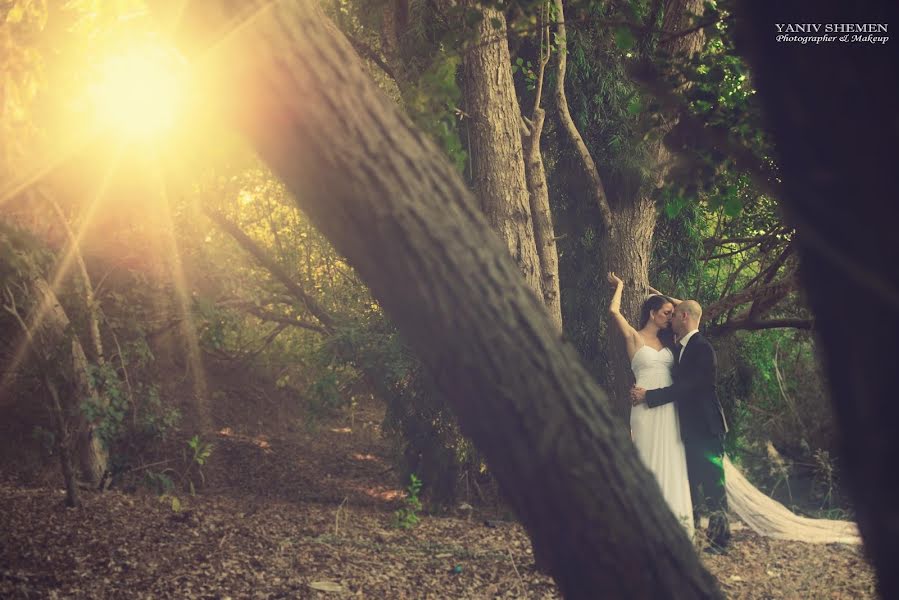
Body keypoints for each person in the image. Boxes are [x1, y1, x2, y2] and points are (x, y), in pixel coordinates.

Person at [630, 299, 731, 552]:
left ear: (684, 317)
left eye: (675, 315)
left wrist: (649, 396)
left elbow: (688, 387)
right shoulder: (682, 347)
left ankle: (720, 541)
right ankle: (691, 532)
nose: (671, 318)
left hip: (707, 429)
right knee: (691, 483)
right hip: (687, 430)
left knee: (712, 485)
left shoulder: (702, 348)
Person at [606, 272, 693, 537]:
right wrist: (620, 285)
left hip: (668, 406)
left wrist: (663, 295)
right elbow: (613, 310)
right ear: (653, 313)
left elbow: (691, 309)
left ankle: (672, 520)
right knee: (644, 456)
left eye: (672, 313)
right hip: (643, 408)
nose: (671, 317)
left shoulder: (673, 342)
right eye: (667, 312)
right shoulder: (634, 337)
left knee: (671, 456)